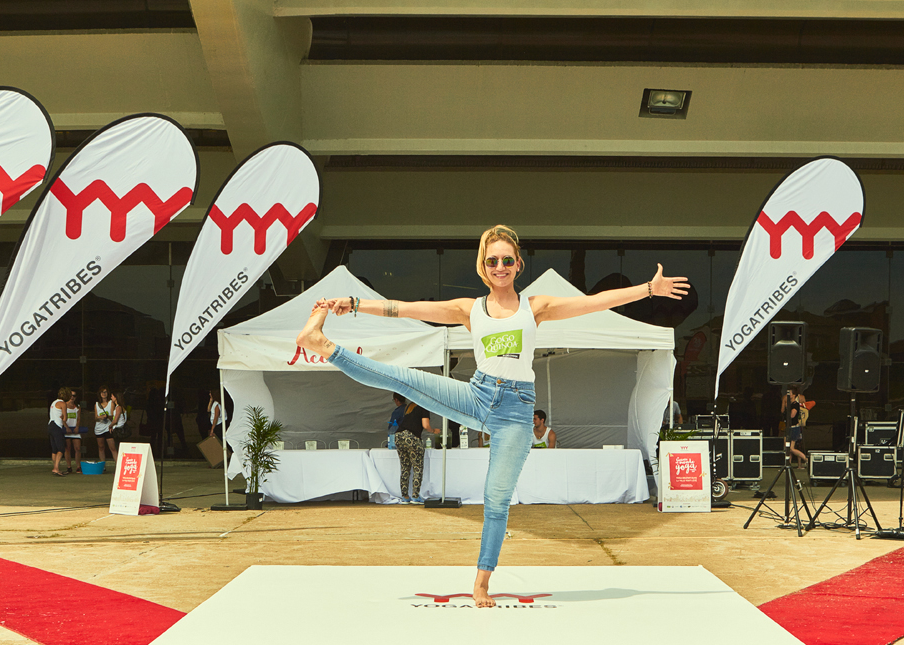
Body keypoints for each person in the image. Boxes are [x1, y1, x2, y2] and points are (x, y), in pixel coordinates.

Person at [295, 224, 690, 606]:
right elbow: (408, 309)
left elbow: (595, 302)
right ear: (482, 268)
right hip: (477, 395)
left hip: (516, 414)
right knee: (406, 379)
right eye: (491, 261)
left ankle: (481, 583)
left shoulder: (537, 307)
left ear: (518, 265)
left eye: (506, 260)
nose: (499, 267)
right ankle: (322, 344)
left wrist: (647, 289)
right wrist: (358, 304)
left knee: (496, 500)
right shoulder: (470, 309)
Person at [395, 397, 439, 502]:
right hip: (412, 437)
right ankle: (415, 495)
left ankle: (405, 496)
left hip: (399, 436)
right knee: (417, 467)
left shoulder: (410, 406)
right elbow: (425, 425)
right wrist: (433, 430)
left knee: (405, 467)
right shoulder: (424, 407)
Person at [782, 384, 807, 467]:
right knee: (787, 447)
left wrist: (787, 412)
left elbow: (792, 415)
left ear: (793, 395)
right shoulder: (789, 404)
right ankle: (788, 463)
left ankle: (805, 459)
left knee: (791, 448)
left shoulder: (795, 404)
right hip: (789, 427)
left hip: (794, 428)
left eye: (790, 393)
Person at [94, 385, 118, 467]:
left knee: (112, 447)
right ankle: (102, 466)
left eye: (105, 392)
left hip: (108, 427)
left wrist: (107, 416)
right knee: (101, 447)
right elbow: (95, 417)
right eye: (102, 392)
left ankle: (118, 466)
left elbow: (113, 416)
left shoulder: (111, 403)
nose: (103, 394)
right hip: (99, 428)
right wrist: (99, 417)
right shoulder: (97, 404)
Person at [49, 387, 69, 476]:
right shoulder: (63, 403)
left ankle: (55, 467)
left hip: (50, 425)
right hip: (57, 426)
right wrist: (64, 418)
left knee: (54, 449)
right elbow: (65, 418)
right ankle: (56, 468)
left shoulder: (54, 402)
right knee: (61, 448)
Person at [63, 388, 82, 474]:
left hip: (75, 430)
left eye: (74, 395)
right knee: (67, 448)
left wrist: (77, 426)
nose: (72, 397)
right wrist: (66, 427)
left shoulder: (77, 407)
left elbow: (78, 418)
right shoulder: (64, 405)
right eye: (71, 395)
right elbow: (62, 418)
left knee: (77, 448)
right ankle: (69, 466)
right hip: (67, 429)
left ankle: (78, 466)